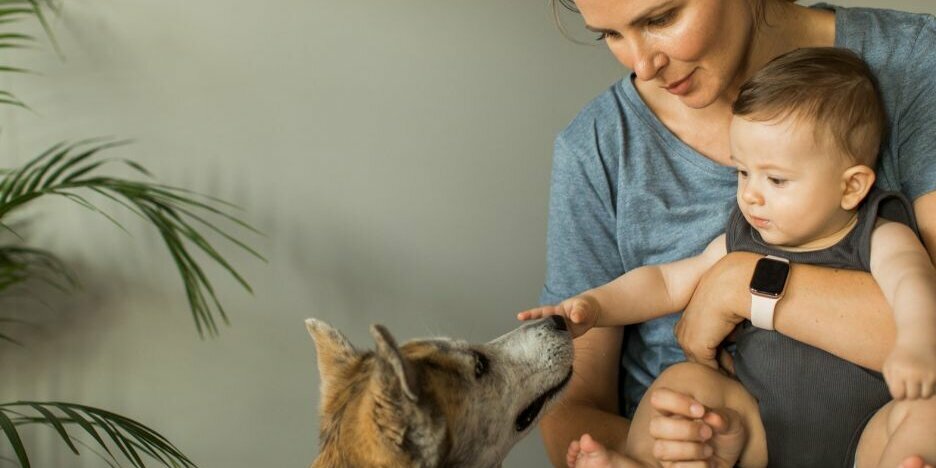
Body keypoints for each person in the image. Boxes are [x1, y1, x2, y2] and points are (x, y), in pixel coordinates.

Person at [537, 0, 936, 466]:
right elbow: (662, 285)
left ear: (853, 186)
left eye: (661, 18)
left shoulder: (912, 75)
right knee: (679, 390)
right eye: (609, 35)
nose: (643, 67)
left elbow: (916, 289)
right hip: (752, 431)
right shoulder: (599, 149)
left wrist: (747, 285)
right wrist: (597, 305)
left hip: (870, 433)